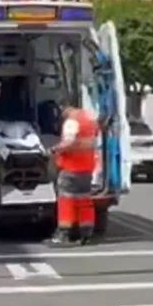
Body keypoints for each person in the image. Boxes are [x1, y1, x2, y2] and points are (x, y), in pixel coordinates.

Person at [50, 105, 101, 246]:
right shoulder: (89, 120)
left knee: (66, 200)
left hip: (71, 167)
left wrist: (55, 149)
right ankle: (86, 234)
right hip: (87, 168)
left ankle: (63, 234)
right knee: (84, 200)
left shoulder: (71, 122)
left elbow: (69, 142)